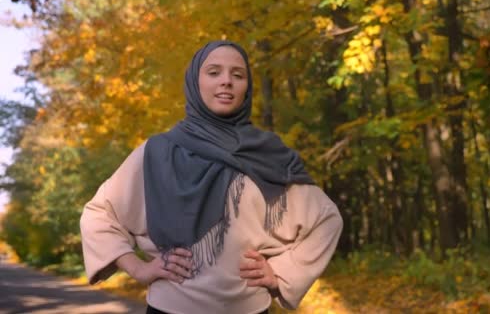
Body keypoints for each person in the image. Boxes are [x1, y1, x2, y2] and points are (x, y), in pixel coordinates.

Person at [79, 40, 343, 314]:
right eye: (214, 72)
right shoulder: (158, 152)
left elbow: (327, 219)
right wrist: (138, 268)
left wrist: (280, 274)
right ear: (195, 82)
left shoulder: (269, 155)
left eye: (237, 75)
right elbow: (98, 214)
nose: (226, 81)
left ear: (246, 87)